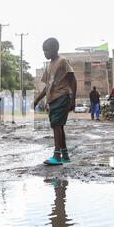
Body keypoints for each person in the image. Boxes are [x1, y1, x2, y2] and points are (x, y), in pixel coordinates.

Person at [34, 38, 77, 166]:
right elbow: (47, 86)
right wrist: (37, 99)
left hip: (62, 97)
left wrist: (73, 99)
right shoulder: (48, 66)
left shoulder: (63, 61)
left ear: (55, 49)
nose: (45, 53)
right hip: (52, 99)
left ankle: (56, 155)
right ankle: (65, 155)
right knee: (59, 126)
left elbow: (72, 80)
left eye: (47, 50)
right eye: (43, 51)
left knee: (56, 125)